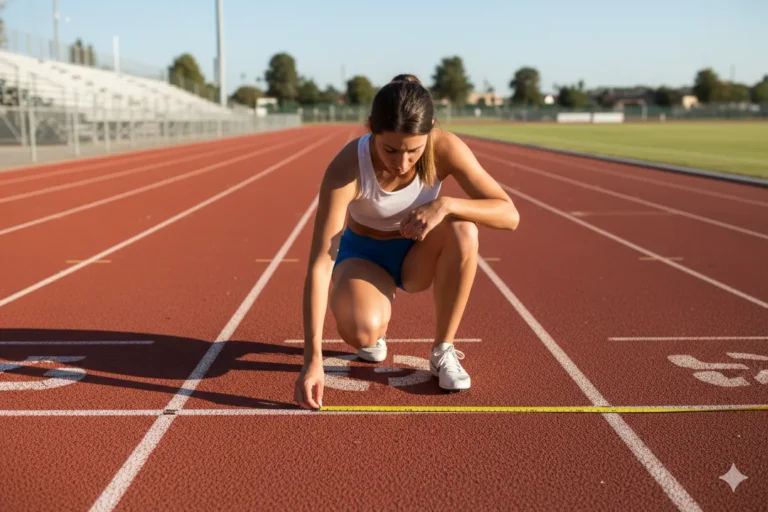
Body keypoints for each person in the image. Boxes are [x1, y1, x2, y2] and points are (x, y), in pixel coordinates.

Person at [294, 74, 520, 410]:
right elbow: (320, 262)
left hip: (417, 254)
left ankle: (443, 350)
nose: (402, 162)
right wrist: (312, 359)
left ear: (431, 131)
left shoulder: (445, 148)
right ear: (371, 127)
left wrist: (446, 204)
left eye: (414, 151)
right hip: (365, 257)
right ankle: (375, 322)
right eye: (390, 149)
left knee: (464, 230)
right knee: (361, 332)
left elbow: (509, 215)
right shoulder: (346, 168)